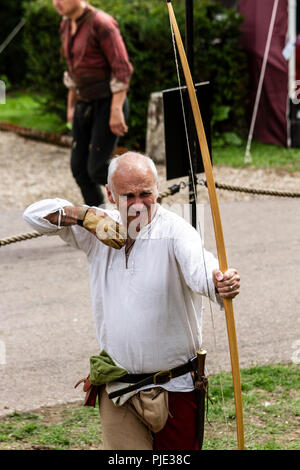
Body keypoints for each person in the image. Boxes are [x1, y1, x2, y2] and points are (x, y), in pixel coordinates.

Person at [23, 152, 240, 450]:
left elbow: (199, 266)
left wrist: (218, 281)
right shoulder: (96, 228)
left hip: (174, 388)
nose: (138, 203)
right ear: (110, 194)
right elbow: (33, 215)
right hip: (118, 389)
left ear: (157, 188)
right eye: (128, 195)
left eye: (146, 193)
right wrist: (84, 216)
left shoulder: (176, 232)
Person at [53, 0, 133, 206]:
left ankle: (139, 193)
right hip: (83, 103)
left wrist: (116, 110)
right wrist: (71, 106)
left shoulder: (102, 23)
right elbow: (73, 71)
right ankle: (99, 219)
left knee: (97, 169)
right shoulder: (65, 25)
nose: (56, 2)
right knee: (78, 168)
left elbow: (122, 69)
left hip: (108, 103)